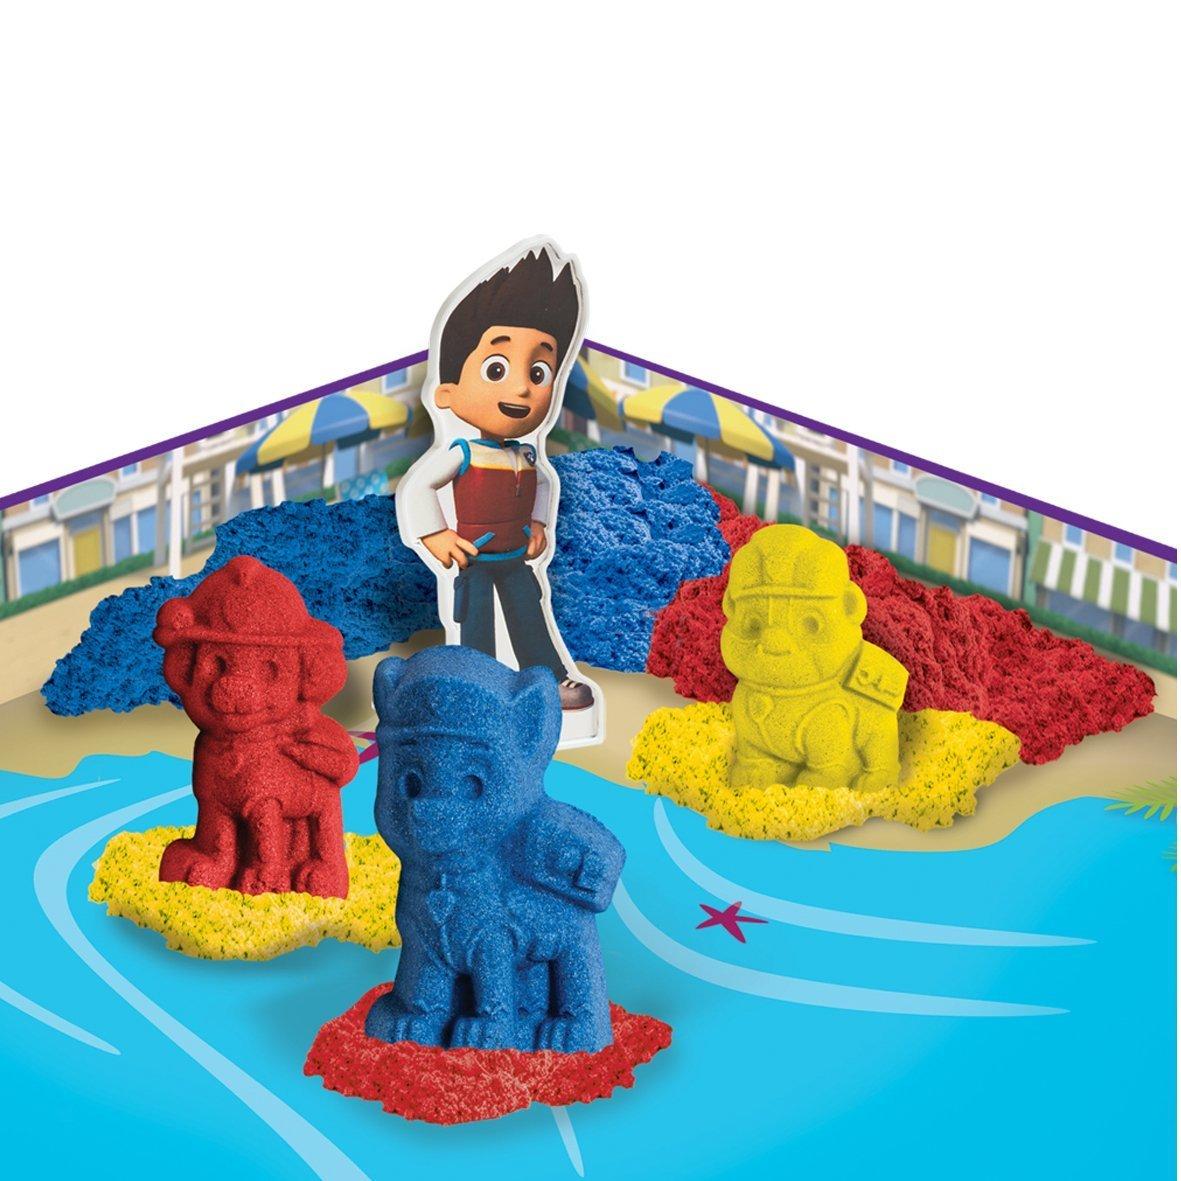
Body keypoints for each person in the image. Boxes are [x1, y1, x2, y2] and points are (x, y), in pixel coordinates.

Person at [398, 244, 594, 711]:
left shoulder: (525, 454)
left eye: (539, 371)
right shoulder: (463, 452)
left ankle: (549, 678)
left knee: (530, 619)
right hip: (477, 557)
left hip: (516, 557)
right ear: (447, 392)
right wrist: (436, 534)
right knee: (476, 625)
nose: (522, 387)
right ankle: (479, 686)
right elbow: (421, 486)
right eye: (497, 369)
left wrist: (540, 524)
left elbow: (543, 485)